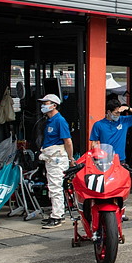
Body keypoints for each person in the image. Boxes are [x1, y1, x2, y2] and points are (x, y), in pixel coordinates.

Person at [37, 94, 74, 229]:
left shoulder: (59, 121)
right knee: (53, 187)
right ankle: (56, 214)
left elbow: (68, 141)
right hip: (51, 157)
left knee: (55, 187)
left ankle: (57, 216)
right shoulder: (50, 120)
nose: (43, 106)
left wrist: (70, 158)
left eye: (46, 103)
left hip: (57, 158)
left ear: (54, 105)